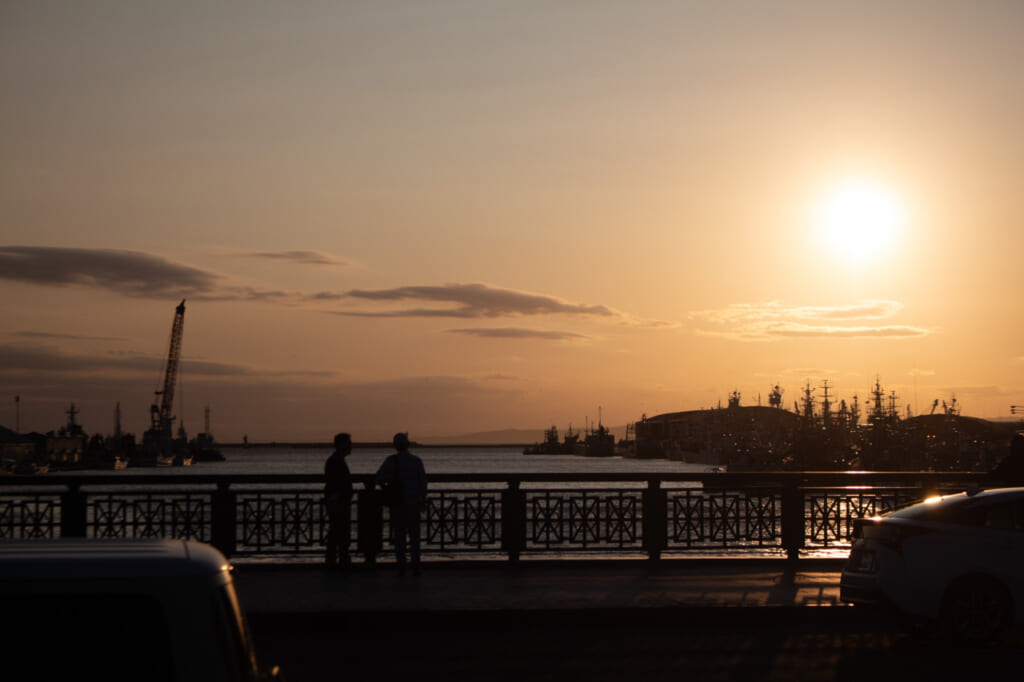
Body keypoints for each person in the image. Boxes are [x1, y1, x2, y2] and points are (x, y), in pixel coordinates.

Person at [376, 432, 428, 575]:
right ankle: (415, 563)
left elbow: (379, 477)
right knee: (414, 535)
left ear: (395, 446)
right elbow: (423, 483)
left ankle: (401, 564)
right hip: (413, 503)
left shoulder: (390, 461)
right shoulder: (416, 461)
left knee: (399, 535)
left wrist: (386, 489)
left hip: (397, 503)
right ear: (408, 444)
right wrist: (422, 499)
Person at [324, 432, 354, 570]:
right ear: (341, 445)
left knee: (337, 531)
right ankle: (339, 561)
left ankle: (336, 560)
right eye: (348, 443)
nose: (351, 446)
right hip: (338, 502)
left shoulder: (335, 460)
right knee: (339, 531)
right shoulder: (335, 461)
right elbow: (336, 483)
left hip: (338, 501)